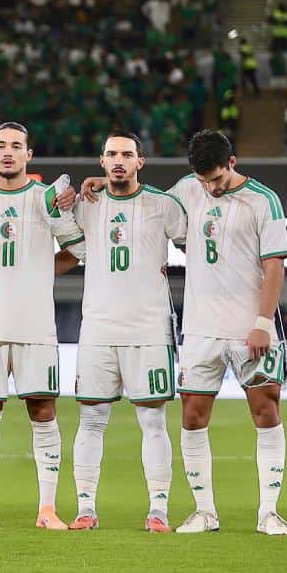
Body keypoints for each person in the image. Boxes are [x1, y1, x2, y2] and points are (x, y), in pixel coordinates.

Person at [0, 122, 85, 530]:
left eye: (16, 146)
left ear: (29, 154)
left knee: (43, 412)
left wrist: (40, 273)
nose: (8, 152)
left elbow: (78, 250)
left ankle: (47, 510)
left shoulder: (47, 199)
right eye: (1, 146)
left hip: (35, 326)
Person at [169, 131, 287, 535]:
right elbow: (148, 206)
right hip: (201, 328)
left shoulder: (264, 200)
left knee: (265, 410)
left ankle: (269, 512)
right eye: (203, 181)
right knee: (192, 414)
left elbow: (274, 266)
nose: (211, 188)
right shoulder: (188, 188)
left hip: (248, 328)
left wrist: (263, 323)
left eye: (217, 179)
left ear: (232, 164)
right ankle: (204, 512)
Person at [64, 132, 186, 533]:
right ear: (101, 161)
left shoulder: (163, 205)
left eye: (127, 154)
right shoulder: (86, 204)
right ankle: (85, 509)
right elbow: (56, 227)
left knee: (153, 422)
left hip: (149, 330)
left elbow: (195, 241)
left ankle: (158, 511)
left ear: (140, 162)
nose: (119, 160)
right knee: (91, 420)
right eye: (112, 154)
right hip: (98, 329)